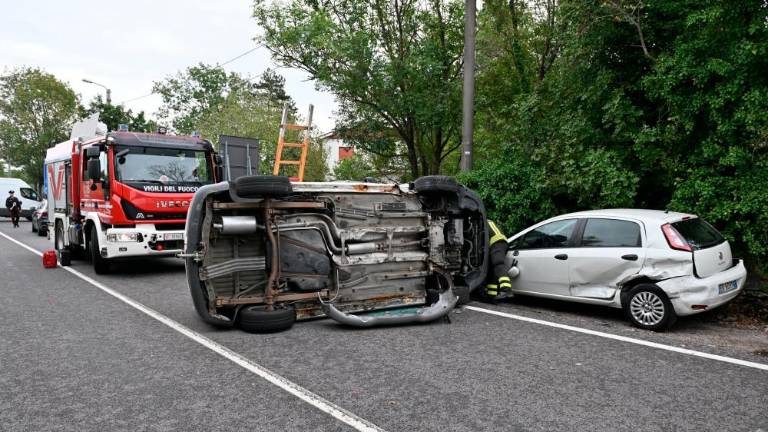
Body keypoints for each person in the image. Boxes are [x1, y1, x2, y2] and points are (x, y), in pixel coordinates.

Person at [482, 220, 514, 301]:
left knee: (498, 263)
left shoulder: (482, 220)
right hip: (497, 243)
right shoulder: (485, 220)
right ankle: (491, 295)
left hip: (497, 242)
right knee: (491, 270)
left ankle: (506, 289)